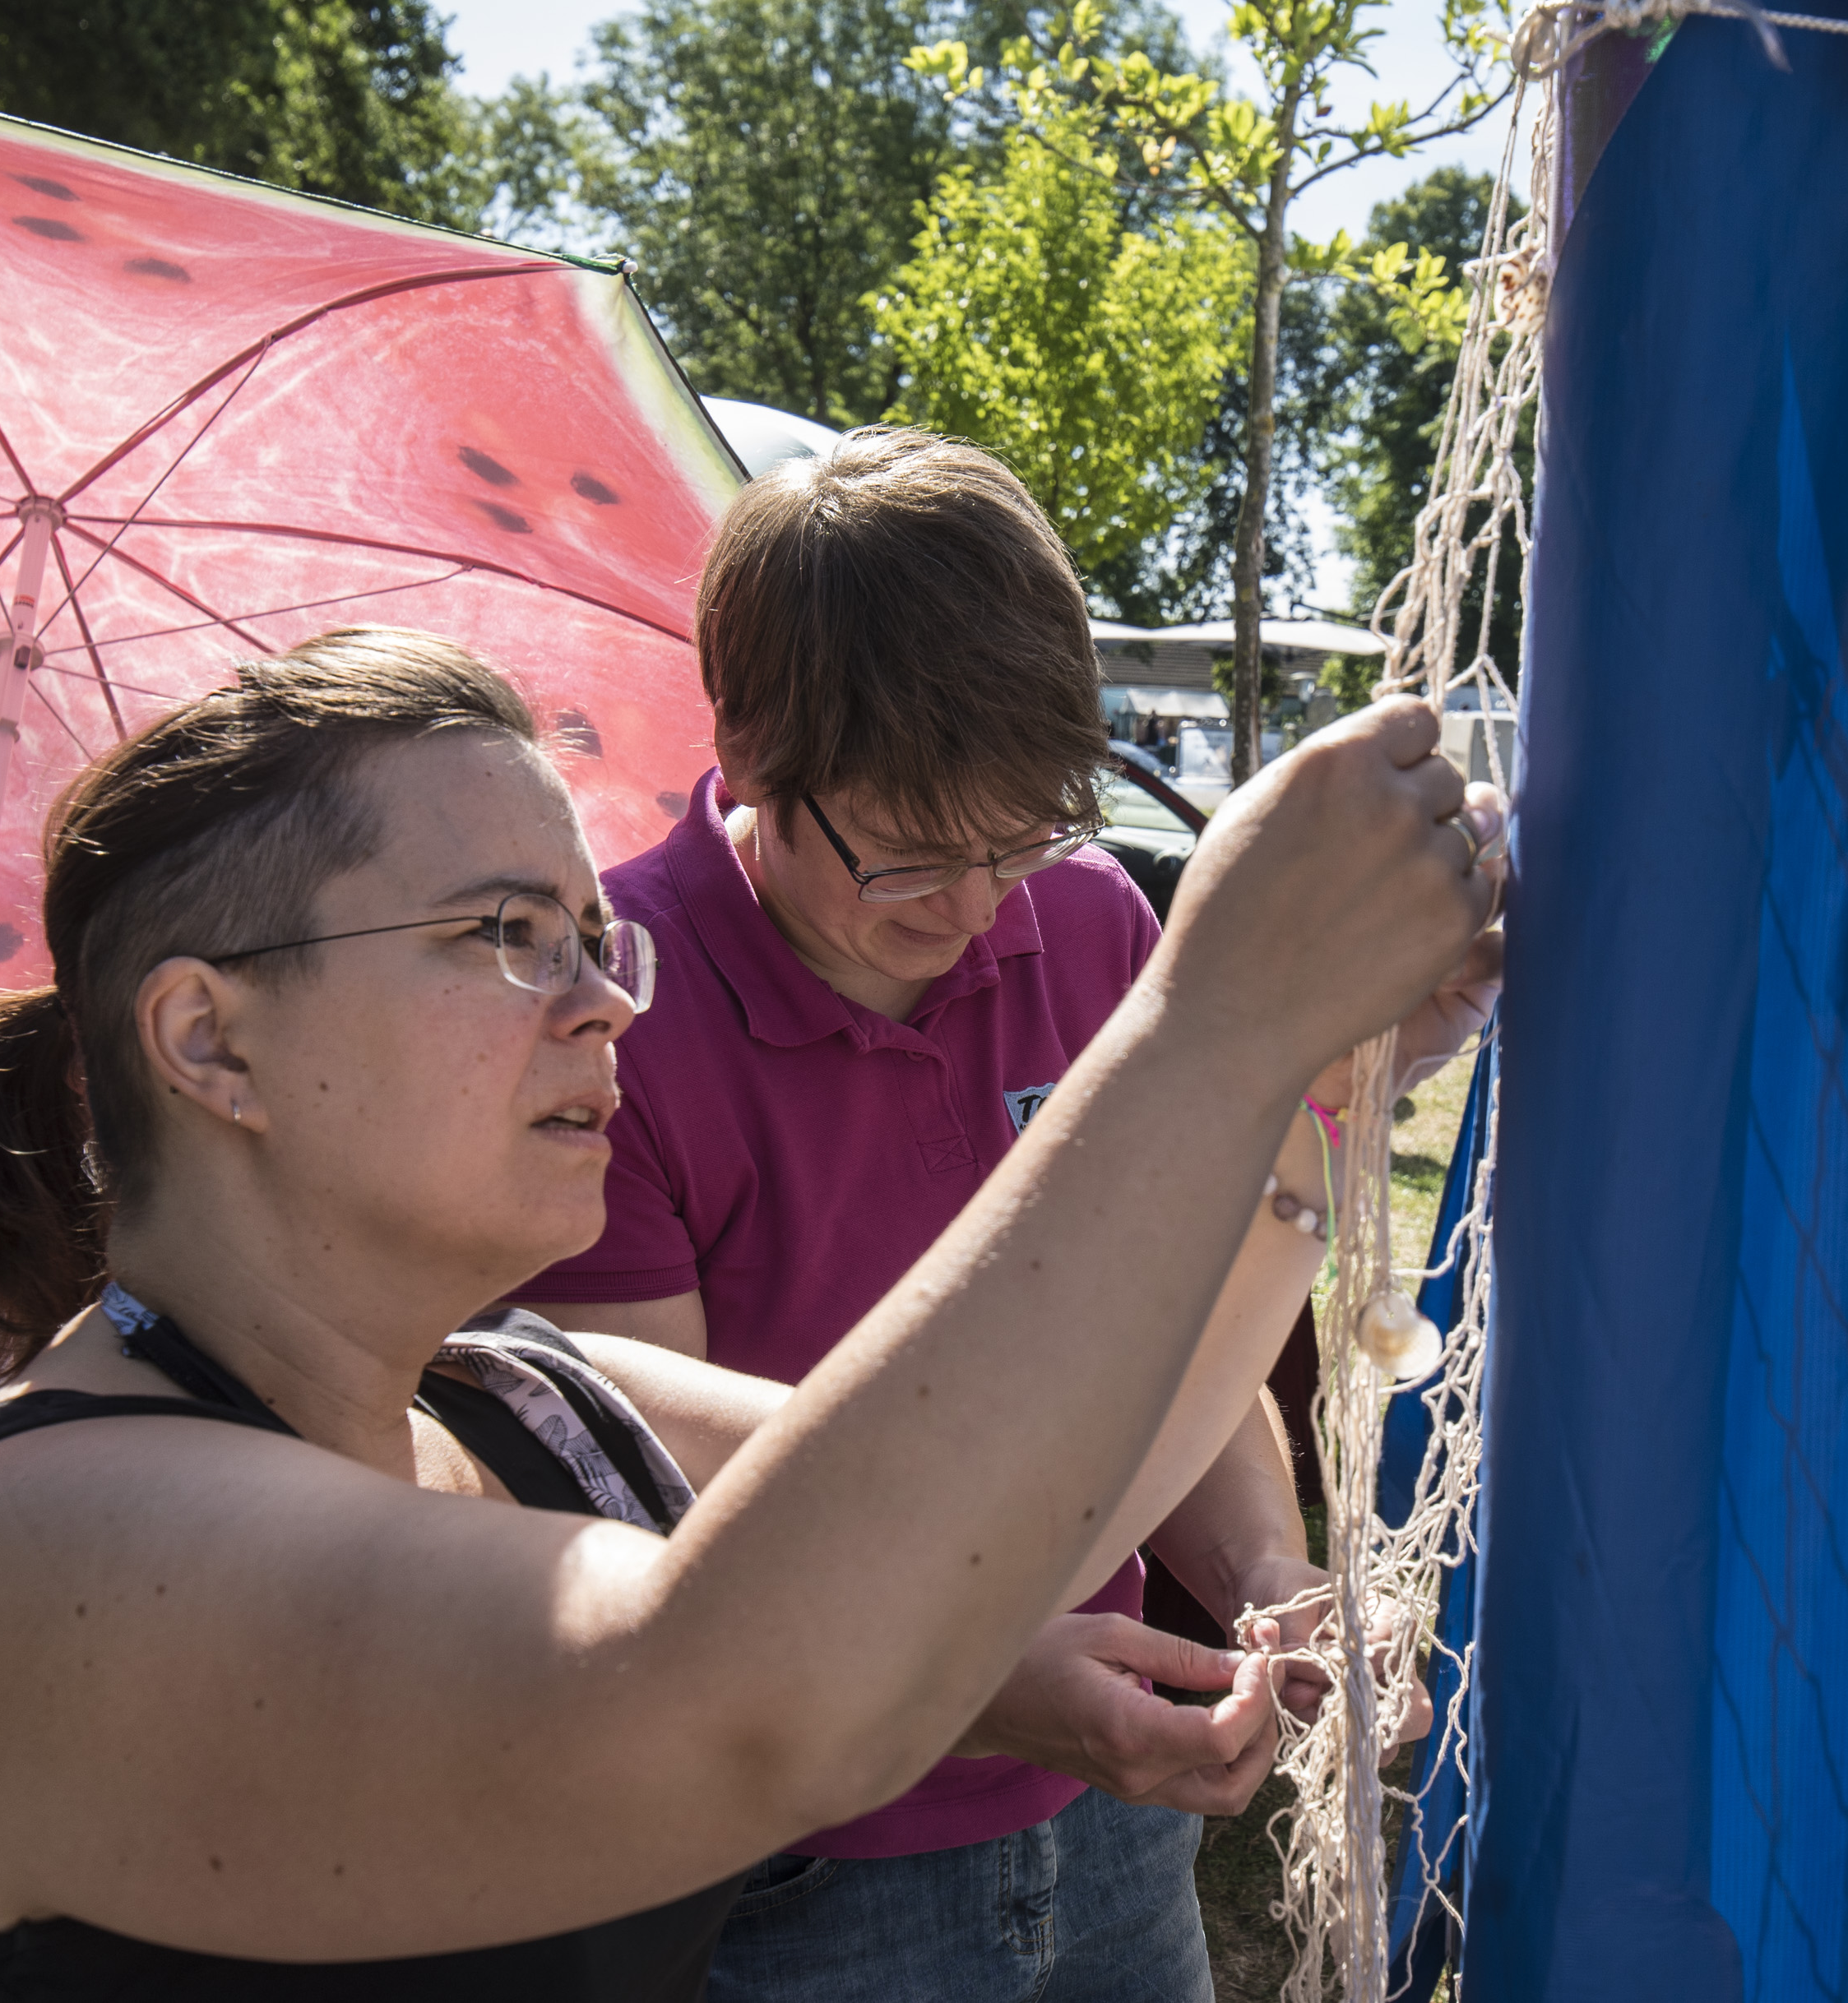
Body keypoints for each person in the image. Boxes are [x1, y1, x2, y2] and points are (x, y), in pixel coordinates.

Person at [0, 625, 1501, 2001]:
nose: (605, 1003)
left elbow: (1044, 1517)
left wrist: (1309, 1095)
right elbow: (749, 1699)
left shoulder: (528, 1396)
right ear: (211, 1041)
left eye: (599, 937)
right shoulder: (2, 1552)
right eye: (508, 934)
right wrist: (1208, 1023)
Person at [515, 429, 1490, 2002]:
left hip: (1101, 1816)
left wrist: (1261, 1572)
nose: (977, 911)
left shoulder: (1094, 919)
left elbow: (1165, 1339)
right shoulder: (606, 1007)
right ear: (750, 746)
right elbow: (645, 1499)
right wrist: (966, 1674)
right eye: (907, 855)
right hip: (800, 1856)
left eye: (1020, 834)